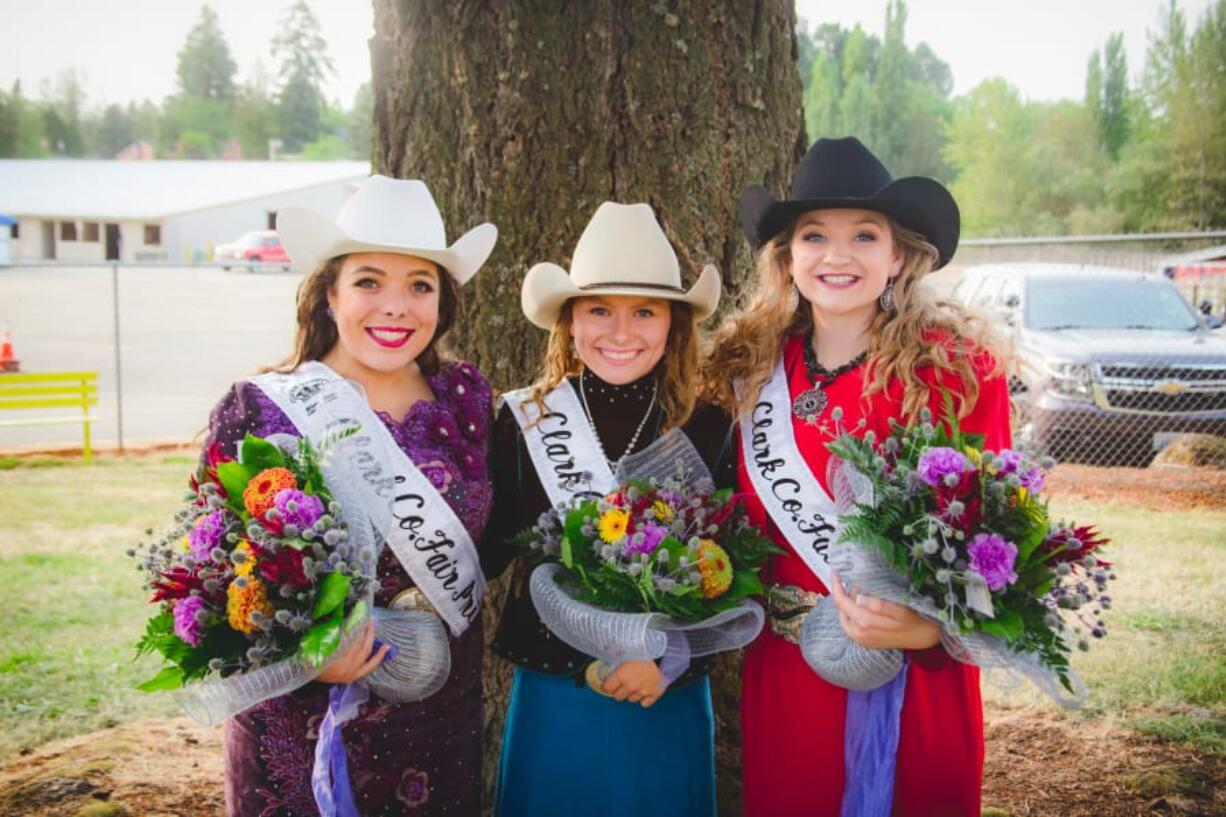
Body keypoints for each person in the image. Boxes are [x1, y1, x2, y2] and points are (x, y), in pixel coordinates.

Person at [706, 136, 1011, 816]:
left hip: (919, 682)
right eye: (814, 235)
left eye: (863, 236)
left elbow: (1004, 545)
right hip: (789, 682)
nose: (837, 256)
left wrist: (931, 630)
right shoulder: (750, 378)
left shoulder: (957, 374)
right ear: (787, 256)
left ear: (897, 254)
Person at [205, 175, 498, 816]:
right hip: (299, 727)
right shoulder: (261, 408)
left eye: (419, 285)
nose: (396, 306)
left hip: (436, 720)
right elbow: (205, 575)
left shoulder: (468, 399)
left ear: (441, 303)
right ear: (329, 295)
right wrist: (303, 651)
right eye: (369, 281)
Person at [482, 202, 732, 817]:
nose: (621, 333)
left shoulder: (708, 426)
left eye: (644, 312)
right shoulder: (527, 420)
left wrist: (672, 659)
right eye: (600, 310)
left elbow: (732, 572)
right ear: (569, 322)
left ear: (673, 325)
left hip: (663, 684)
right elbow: (488, 548)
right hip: (553, 681)